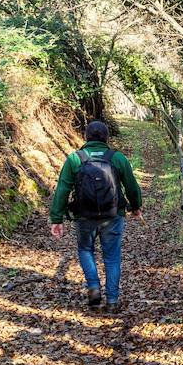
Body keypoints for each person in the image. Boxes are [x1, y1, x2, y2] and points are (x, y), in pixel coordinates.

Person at [49, 121, 142, 312]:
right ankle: (112, 301)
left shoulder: (75, 159)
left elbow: (63, 189)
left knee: (85, 250)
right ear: (106, 138)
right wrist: (135, 207)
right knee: (112, 257)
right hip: (113, 216)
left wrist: (56, 218)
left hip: (84, 216)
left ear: (86, 137)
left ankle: (93, 288)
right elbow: (131, 186)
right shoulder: (117, 158)